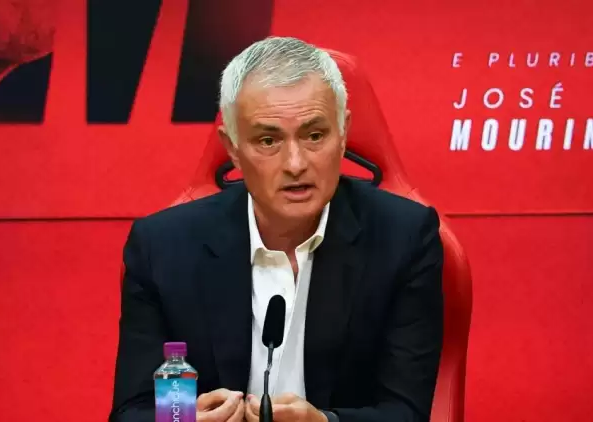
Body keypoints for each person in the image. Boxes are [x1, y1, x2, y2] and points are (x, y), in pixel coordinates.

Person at [110, 36, 444, 422]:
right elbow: (132, 412)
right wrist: (181, 420)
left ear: (343, 133)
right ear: (232, 148)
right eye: (268, 141)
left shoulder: (404, 239)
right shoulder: (162, 249)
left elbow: (406, 411)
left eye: (315, 135)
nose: (296, 163)